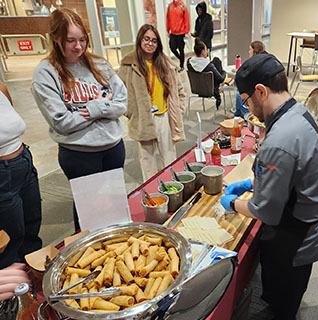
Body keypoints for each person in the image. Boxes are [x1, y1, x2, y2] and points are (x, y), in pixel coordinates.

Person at [220, 54, 318, 320]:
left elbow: (266, 212)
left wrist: (232, 203)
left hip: (296, 238)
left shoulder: (278, 140)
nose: (247, 109)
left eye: (246, 100)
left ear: (261, 91)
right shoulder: (298, 111)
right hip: (309, 219)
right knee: (286, 293)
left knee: (283, 304)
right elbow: (295, 171)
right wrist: (252, 182)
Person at [31, 8, 127, 231]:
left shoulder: (99, 65)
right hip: (80, 155)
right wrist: (103, 107)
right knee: (90, 215)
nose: (78, 47)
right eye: (70, 41)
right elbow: (62, 122)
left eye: (83, 39)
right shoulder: (46, 73)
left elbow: (121, 104)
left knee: (115, 209)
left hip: (113, 148)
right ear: (55, 39)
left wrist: (92, 109)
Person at [118, 24, 186, 181]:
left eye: (154, 41)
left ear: (158, 43)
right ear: (140, 40)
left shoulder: (166, 63)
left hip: (165, 117)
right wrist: (132, 113)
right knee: (147, 163)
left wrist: (178, 110)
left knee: (169, 159)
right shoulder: (129, 64)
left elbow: (180, 91)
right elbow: (119, 93)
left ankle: (171, 191)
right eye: (146, 39)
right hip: (143, 118)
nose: (150, 44)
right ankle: (154, 196)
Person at [0, 82, 42, 269]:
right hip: (3, 173)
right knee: (11, 237)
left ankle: (34, 274)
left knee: (32, 224)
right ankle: (15, 291)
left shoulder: (0, 87)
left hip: (23, 160)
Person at [187, 38, 226, 110]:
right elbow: (221, 79)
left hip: (197, 88)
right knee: (217, 61)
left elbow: (199, 67)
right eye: (205, 50)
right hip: (210, 89)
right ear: (202, 52)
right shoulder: (209, 66)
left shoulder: (189, 62)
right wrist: (224, 71)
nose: (206, 52)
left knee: (215, 60)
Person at [234, 40, 268, 118]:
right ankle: (238, 115)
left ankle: (245, 117)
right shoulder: (266, 57)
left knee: (240, 94)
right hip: (264, 86)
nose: (249, 52)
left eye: (250, 49)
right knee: (239, 91)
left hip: (261, 88)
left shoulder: (256, 62)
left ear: (254, 50)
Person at [166, 0, 190, 71]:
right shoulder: (170, 6)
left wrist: (186, 32)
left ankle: (181, 65)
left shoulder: (183, 7)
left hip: (181, 34)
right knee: (172, 47)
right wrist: (168, 30)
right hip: (173, 33)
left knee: (181, 49)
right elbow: (168, 19)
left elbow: (186, 20)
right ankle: (180, 58)